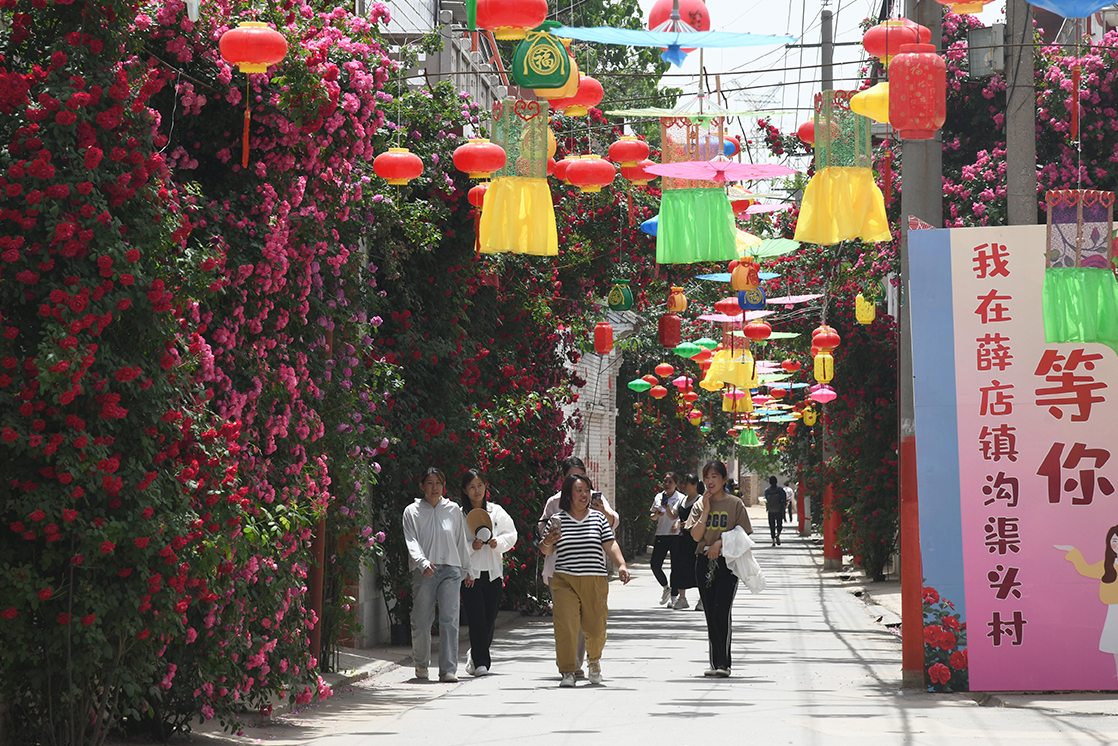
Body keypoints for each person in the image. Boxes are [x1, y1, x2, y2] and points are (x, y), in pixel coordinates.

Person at [539, 473, 631, 687]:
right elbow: (546, 549)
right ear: (568, 495)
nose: (584, 494)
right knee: (566, 626)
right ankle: (568, 671)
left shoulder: (598, 518)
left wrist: (622, 565)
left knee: (596, 627)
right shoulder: (558, 519)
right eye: (578, 490)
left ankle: (594, 660)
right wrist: (548, 540)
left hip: (594, 580)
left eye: (586, 490)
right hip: (565, 580)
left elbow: (610, 544)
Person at [402, 467, 473, 683]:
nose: (435, 487)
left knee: (450, 619)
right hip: (424, 571)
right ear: (422, 486)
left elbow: (460, 540)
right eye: (430, 483)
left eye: (439, 483)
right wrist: (423, 563)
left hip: (450, 570)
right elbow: (411, 541)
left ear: (444, 486)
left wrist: (467, 568)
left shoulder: (452, 509)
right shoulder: (412, 511)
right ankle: (421, 664)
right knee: (422, 620)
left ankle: (448, 670)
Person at [686, 459, 753, 677]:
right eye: (706, 477)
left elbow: (745, 534)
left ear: (724, 479)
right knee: (709, 613)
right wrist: (705, 510)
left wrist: (720, 542)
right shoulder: (699, 504)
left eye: (714, 476)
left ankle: (724, 663)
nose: (709, 481)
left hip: (728, 562)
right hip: (704, 562)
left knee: (721, 611)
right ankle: (715, 664)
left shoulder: (735, 504)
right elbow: (696, 536)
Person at [459, 469, 517, 677]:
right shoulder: (460, 515)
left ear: (486, 487)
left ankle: (475, 654)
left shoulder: (496, 512)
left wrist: (497, 542)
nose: (477, 491)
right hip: (470, 575)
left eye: (480, 486)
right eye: (472, 487)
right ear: (465, 490)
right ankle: (482, 663)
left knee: (489, 618)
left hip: (493, 573)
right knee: (476, 619)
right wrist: (469, 546)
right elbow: (454, 544)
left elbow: (511, 534)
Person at [1060, 526, 1118, 677]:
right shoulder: (1107, 565)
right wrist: (1073, 551)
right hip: (1114, 609)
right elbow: (1085, 569)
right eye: (1114, 541)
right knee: (1114, 643)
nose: (1117, 545)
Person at [666, 473, 702, 610]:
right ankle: (682, 598)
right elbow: (673, 516)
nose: (684, 486)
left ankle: (702, 600)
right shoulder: (682, 501)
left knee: (697, 569)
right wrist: (667, 508)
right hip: (682, 539)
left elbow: (705, 519)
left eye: (687, 483)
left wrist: (691, 523)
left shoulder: (701, 501)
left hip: (696, 540)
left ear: (695, 485)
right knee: (680, 568)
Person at [649, 472, 682, 607]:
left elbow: (684, 515)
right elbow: (652, 516)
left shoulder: (681, 498)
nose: (667, 484)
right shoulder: (659, 497)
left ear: (676, 484)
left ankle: (674, 596)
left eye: (670, 482)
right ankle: (666, 587)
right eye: (665, 481)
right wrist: (656, 514)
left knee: (675, 567)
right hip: (661, 534)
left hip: (675, 536)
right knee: (655, 564)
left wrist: (677, 522)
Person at [765, 476, 788, 546]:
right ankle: (778, 534)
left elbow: (766, 499)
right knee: (779, 524)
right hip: (779, 509)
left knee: (772, 525)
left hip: (771, 510)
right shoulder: (780, 490)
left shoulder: (767, 490)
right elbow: (784, 499)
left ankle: (773, 540)